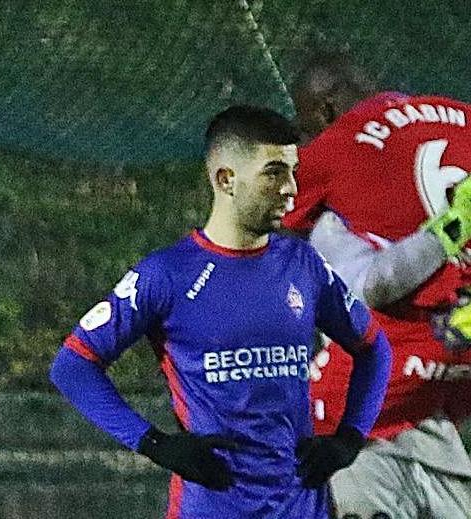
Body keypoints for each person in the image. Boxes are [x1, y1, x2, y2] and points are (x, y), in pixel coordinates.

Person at [49, 105, 392, 518]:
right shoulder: (168, 274)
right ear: (226, 179)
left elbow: (375, 348)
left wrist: (349, 440)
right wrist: (154, 443)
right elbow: (73, 365)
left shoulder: (304, 264)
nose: (291, 189)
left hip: (302, 508)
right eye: (274, 172)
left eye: (293, 171)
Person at [286, 50, 471, 518]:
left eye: (305, 123)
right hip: (460, 369)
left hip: (363, 401)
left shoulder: (335, 152)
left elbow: (371, 282)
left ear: (325, 109)